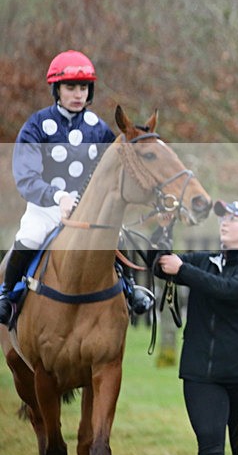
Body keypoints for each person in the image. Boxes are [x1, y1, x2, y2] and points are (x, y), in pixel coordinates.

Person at [0, 50, 151, 326]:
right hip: (45, 208)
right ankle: (7, 294)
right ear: (57, 89)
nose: (78, 93)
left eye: (83, 87)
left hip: (88, 212)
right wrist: (58, 197)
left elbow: (116, 170)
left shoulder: (99, 129)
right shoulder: (35, 126)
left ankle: (130, 290)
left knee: (116, 235)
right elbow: (26, 177)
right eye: (70, 87)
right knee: (30, 237)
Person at [153, 199, 238, 455]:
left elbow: (228, 291)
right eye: (222, 218)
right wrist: (162, 230)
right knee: (210, 453)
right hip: (202, 376)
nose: (224, 222)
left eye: (232, 218)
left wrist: (183, 270)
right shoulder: (203, 261)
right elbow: (158, 264)